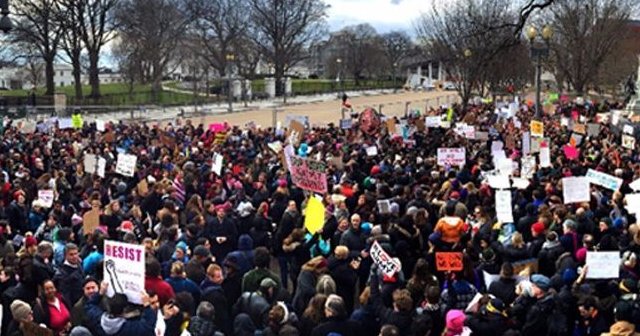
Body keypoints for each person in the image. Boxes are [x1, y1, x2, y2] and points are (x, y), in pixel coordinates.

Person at [84, 282, 158, 335]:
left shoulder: (98, 319)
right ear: (124, 310)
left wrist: (100, 293)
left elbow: (89, 305)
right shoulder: (129, 329)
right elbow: (148, 326)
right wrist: (147, 305)